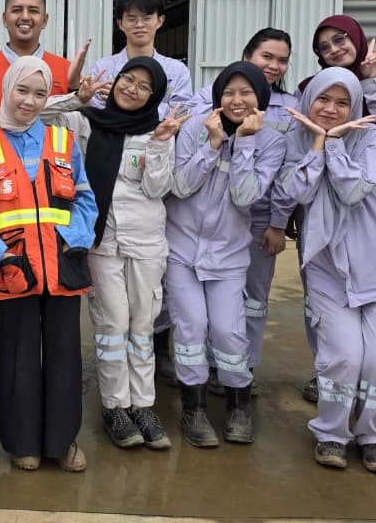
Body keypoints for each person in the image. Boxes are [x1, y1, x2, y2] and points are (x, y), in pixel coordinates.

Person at [40, 56, 189, 451]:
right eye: (127, 79)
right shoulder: (86, 122)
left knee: (142, 325)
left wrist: (160, 144)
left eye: (143, 86)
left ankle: (143, 405)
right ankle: (115, 407)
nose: (132, 89)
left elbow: (157, 189)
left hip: (146, 243)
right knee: (112, 326)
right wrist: (76, 98)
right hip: (101, 241)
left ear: (154, 95)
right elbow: (35, 114)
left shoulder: (158, 131)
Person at [277, 67, 376, 473]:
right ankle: (332, 434)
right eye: (323, 99)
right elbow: (296, 191)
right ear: (309, 100)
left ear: (355, 106)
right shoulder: (294, 138)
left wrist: (334, 144)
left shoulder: (370, 137)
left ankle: (374, 437)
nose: (331, 109)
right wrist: (317, 146)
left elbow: (353, 191)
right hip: (328, 268)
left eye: (342, 102)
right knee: (342, 359)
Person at [0, 56, 98, 473]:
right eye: (22, 90)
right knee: (17, 357)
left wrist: (75, 241)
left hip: (62, 267)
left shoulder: (63, 142)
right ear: (7, 90)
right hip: (13, 268)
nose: (30, 101)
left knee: (64, 357)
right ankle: (22, 441)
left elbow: (85, 199)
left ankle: (62, 441)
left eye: (40, 94)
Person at [0, 0, 84, 394]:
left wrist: (78, 93)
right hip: (1, 186)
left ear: (45, 19)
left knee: (48, 282)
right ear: (4, 17)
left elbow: (73, 130)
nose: (24, 16)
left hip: (50, 191)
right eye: (16, 9)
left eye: (33, 10)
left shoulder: (64, 70)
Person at [165, 62, 285, 448]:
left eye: (246, 93)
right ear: (218, 96)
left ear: (260, 97)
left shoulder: (271, 142)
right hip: (182, 249)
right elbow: (180, 186)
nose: (237, 100)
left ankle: (238, 406)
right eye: (229, 92)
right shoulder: (195, 128)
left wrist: (245, 143)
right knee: (191, 328)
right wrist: (213, 145)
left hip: (229, 256)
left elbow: (245, 197)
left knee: (229, 331)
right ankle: (193, 409)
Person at [296, 14, 376, 404]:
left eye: (340, 39)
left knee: (375, 312)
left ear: (357, 38)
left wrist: (373, 86)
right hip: (318, 216)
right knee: (324, 306)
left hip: (368, 214)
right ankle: (327, 372)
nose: (334, 49)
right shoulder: (309, 90)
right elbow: (296, 153)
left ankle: (364, 381)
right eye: (324, 46)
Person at [181, 29, 298, 395]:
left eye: (282, 60)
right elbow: (187, 166)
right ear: (248, 56)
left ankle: (242, 372)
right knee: (202, 308)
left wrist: (278, 222)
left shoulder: (289, 109)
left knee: (250, 303)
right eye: (267, 56)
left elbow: (285, 174)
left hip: (257, 216)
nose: (274, 65)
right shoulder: (208, 102)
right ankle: (208, 374)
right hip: (209, 214)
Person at [84, 0, 193, 118]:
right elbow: (96, 114)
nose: (139, 25)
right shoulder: (102, 69)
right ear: (120, 23)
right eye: (131, 19)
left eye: (147, 18)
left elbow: (181, 115)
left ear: (160, 21)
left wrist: (125, 98)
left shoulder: (177, 71)